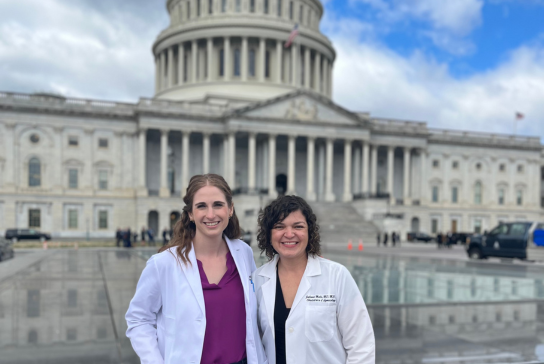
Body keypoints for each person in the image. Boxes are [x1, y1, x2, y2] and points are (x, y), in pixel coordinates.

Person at [126, 174, 267, 364]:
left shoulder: (244, 253)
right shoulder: (164, 263)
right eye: (201, 206)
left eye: (218, 204)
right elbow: (139, 319)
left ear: (230, 209)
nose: (211, 214)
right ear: (191, 214)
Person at [252, 195, 375, 364]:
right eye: (279, 226)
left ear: (309, 231)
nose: (289, 234)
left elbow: (361, 346)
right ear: (268, 233)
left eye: (298, 226)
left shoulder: (337, 275)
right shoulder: (257, 280)